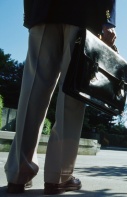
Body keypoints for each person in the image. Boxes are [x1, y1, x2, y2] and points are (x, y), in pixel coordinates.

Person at [4, 0, 117, 195]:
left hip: (43, 11)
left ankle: (17, 173)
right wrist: (107, 20)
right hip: (82, 12)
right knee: (72, 93)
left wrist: (31, 15)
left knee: (32, 91)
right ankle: (58, 176)